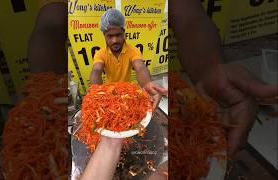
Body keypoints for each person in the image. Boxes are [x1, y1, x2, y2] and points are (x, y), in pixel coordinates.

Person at [28, 0, 278, 179]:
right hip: (89, 115)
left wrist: (206, 69)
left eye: (118, 36)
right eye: (111, 36)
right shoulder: (102, 52)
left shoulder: (131, 50)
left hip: (155, 112)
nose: (115, 41)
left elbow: (190, 17)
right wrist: (50, 91)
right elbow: (49, 29)